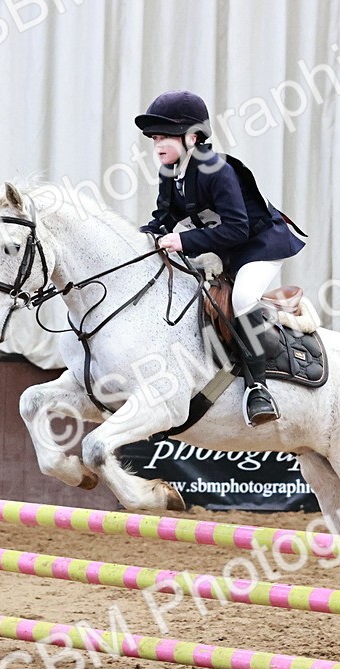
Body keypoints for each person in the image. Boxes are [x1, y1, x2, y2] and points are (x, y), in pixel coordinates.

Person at [135, 90, 305, 427]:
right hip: (225, 247)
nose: (157, 144)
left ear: (192, 137)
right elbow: (162, 219)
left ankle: (258, 389)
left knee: (242, 298)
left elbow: (238, 228)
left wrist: (183, 241)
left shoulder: (218, 170)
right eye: (154, 138)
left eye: (165, 136)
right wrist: (137, 240)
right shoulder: (170, 172)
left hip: (260, 244)